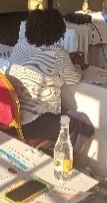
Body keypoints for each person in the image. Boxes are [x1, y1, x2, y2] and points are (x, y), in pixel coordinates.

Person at [7, 9, 95, 164]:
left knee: (64, 114)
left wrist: (67, 59)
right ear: (58, 31)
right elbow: (74, 78)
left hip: (11, 114)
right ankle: (68, 167)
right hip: (32, 122)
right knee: (83, 124)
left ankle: (52, 152)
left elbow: (40, 60)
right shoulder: (58, 53)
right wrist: (78, 65)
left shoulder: (20, 46)